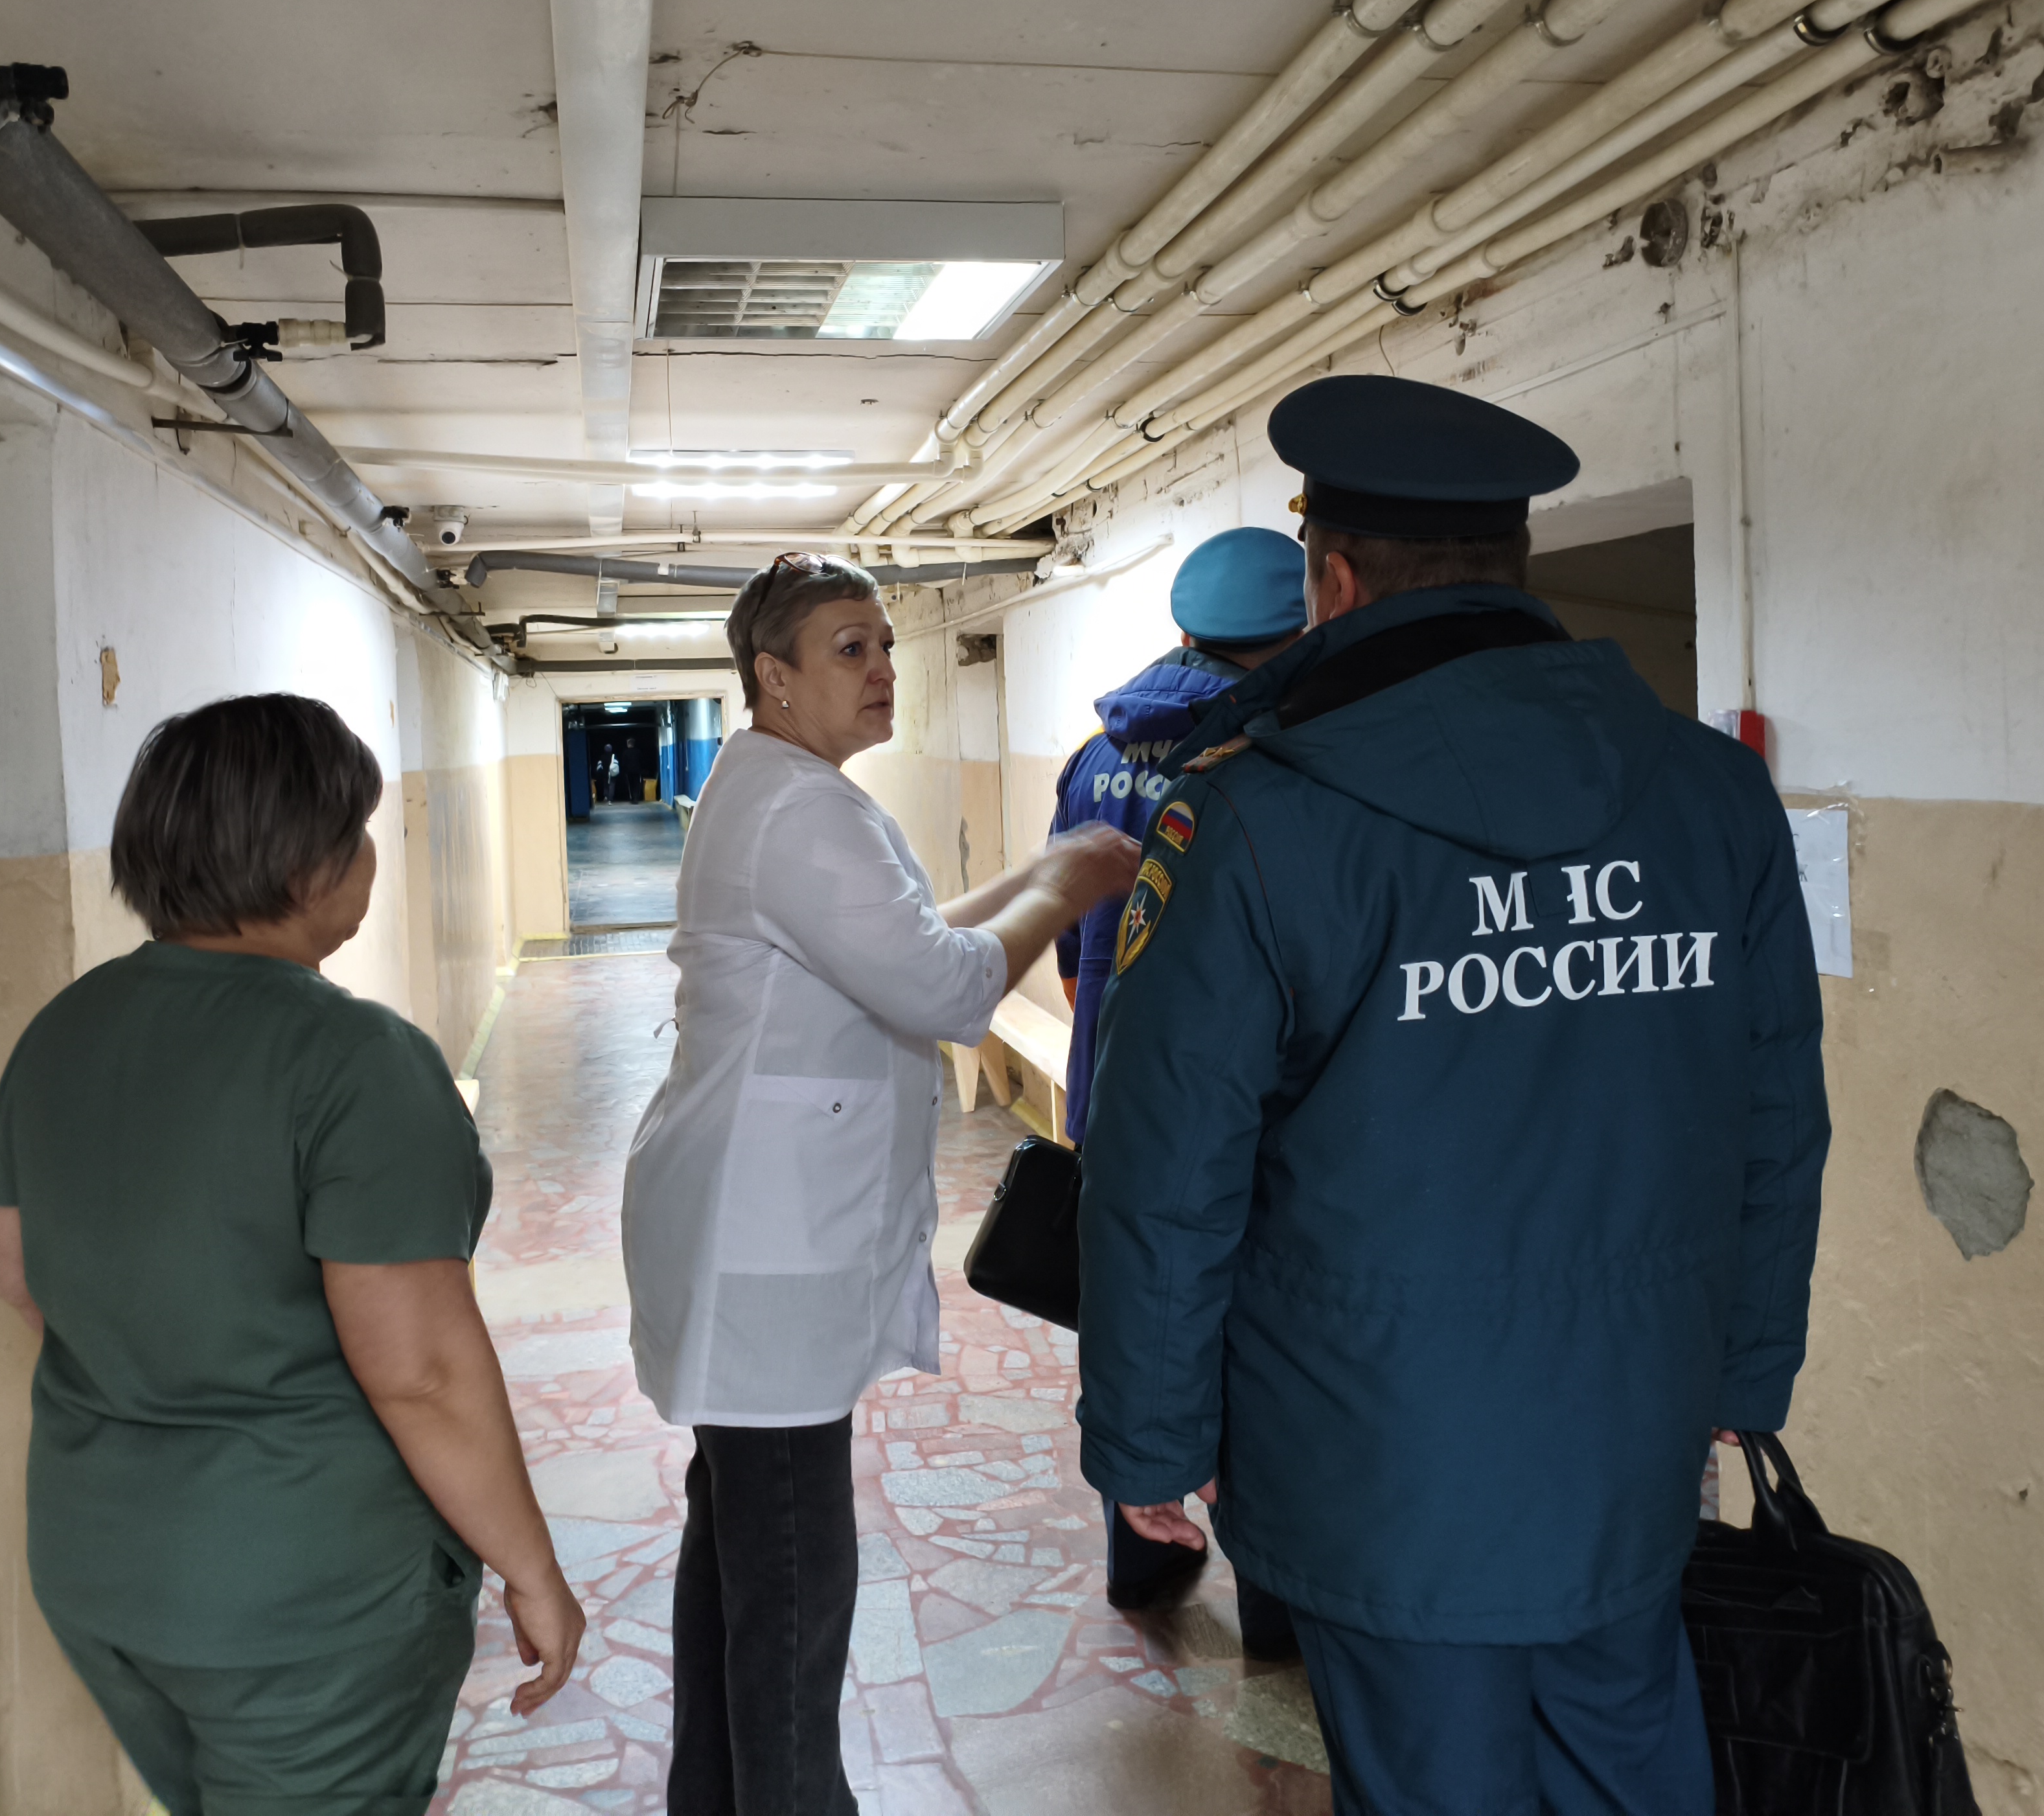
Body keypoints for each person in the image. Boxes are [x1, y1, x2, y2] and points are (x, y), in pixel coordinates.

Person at [1075, 374, 1830, 1816]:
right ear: (1510, 569)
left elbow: (1166, 1167)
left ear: (1334, 583)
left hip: (1377, 1459)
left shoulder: (1250, 819)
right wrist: (1744, 1368)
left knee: (1434, 1777)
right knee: (1629, 1756)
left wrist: (1150, 1436)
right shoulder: (1710, 793)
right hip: (1632, 1426)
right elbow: (1776, 1112)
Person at [0, 694, 586, 1816]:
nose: (369, 856)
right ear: (307, 864)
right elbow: (421, 1373)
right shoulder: (356, 1061)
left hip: (100, 1572)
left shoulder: (62, 1031)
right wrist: (532, 1567)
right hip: (304, 1606)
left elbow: (17, 1271)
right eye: (358, 832)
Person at [621, 552, 1138, 1816]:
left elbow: (907, 937)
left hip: (752, 1230)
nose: (882, 670)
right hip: (763, 1250)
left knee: (739, 1551)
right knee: (795, 1576)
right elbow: (946, 987)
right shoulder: (798, 810)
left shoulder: (787, 792)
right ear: (773, 676)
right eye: (848, 649)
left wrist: (1038, 871)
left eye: (885, 646)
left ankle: (715, 1796)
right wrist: (1067, 886)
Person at [1046, 525, 1307, 1642]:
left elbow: (1070, 947)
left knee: (1136, 1315)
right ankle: (1278, 1602)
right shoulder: (1275, 757)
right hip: (1241, 1107)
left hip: (1110, 1090)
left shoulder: (1093, 758)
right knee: (1260, 1344)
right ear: (1290, 635)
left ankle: (1143, 1564)